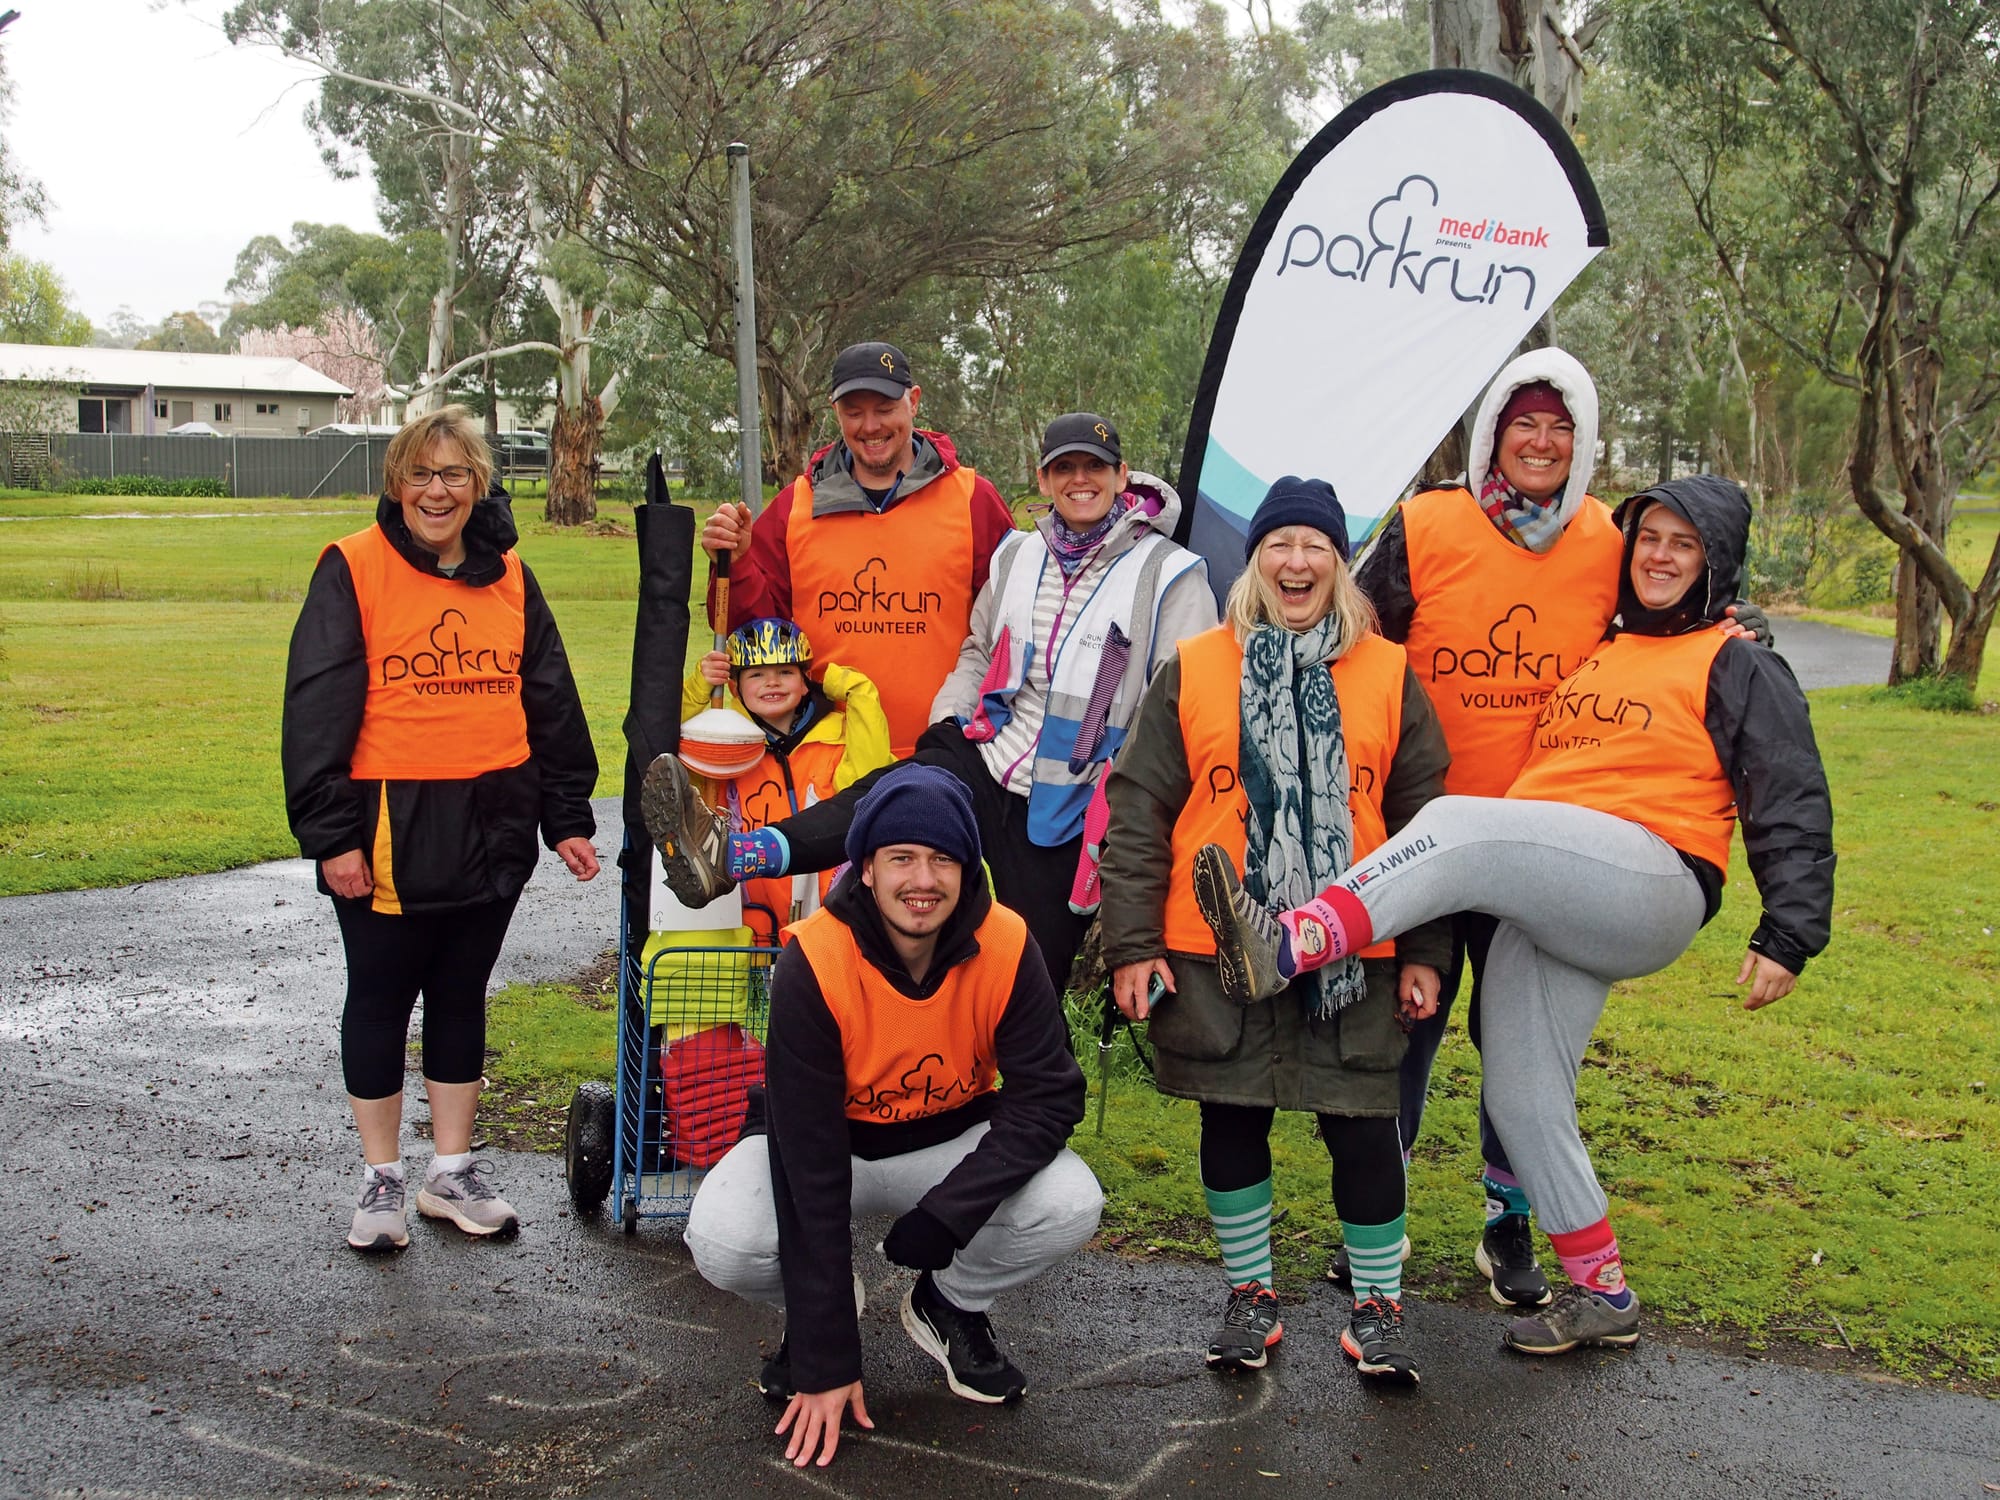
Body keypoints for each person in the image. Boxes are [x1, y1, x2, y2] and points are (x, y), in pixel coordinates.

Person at [1195, 474, 1834, 1356]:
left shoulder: (1736, 657)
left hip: (1651, 871)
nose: (1660, 558)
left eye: (1685, 546)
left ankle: (1294, 940)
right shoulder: (1604, 649)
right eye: (1649, 540)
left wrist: (1790, 930)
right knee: (1525, 1095)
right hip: (1558, 893)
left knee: (1456, 819)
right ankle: (1601, 1290)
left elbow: (1789, 783)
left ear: (1715, 564)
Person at [1350, 347, 1765, 1306]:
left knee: (1520, 1045)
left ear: (1581, 441)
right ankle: (1382, 1220)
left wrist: (1745, 626)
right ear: (1492, 430)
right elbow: (1360, 640)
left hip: (1548, 844)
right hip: (1419, 828)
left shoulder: (1607, 542)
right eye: (1522, 421)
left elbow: (1675, 602)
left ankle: (1510, 1227)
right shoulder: (1426, 522)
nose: (1539, 440)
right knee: (1401, 1029)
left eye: (1559, 425)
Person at [651, 412, 1216, 994]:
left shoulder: (1169, 574)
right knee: (891, 798)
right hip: (988, 755)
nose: (1079, 480)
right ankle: (735, 855)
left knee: (1029, 975)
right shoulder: (1019, 555)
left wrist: (1121, 794)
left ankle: (1029, 1081)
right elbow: (978, 648)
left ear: (1122, 475)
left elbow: (1182, 706)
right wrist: (949, 720)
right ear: (1043, 480)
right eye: (1062, 468)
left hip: (1072, 799)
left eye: (1093, 467)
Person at [1097, 477, 1452, 1386]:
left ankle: (1378, 1307)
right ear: (1255, 560)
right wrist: (1133, 945)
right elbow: (1138, 811)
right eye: (1279, 545)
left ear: (1340, 564)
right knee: (1234, 1115)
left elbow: (1428, 825)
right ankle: (1250, 1296)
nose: (1297, 563)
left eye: (1316, 547)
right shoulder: (1198, 664)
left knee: (1365, 1126)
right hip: (1215, 950)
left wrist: (1425, 951)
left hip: (1357, 948)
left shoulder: (1387, 670)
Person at [683, 763, 1103, 1470]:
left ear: (968, 871)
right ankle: (824, 1308)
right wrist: (825, 1352)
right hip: (824, 1148)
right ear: (868, 868)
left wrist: (950, 1214)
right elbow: (808, 1163)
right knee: (724, 1238)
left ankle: (948, 1304)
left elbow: (1050, 1096)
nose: (924, 880)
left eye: (943, 859)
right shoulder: (814, 956)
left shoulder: (1005, 942)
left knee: (1071, 1201)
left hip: (944, 1141)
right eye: (902, 857)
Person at [283, 404, 601, 1253]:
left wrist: (565, 814)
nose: (437, 490)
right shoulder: (351, 566)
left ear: (479, 485)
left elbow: (551, 696)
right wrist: (332, 835)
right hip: (387, 821)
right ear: (396, 484)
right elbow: (315, 711)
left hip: (493, 816)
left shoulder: (509, 575)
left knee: (462, 995)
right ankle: (381, 1182)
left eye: (455, 474)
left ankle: (450, 1174)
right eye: (420, 474)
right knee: (382, 997)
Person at [699, 341, 1018, 755]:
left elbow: (1014, 629)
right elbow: (757, 640)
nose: (870, 426)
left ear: (914, 401)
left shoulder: (974, 500)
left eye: (885, 409)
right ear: (836, 414)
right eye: (854, 412)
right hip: (823, 764)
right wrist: (735, 562)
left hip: (944, 757)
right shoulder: (795, 506)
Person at [673, 617, 893, 943]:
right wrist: (698, 689)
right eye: (757, 674)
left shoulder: (837, 737)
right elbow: (669, 745)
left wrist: (854, 689)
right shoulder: (723, 741)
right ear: (734, 687)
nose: (772, 683)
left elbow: (870, 780)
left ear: (805, 682)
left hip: (827, 906)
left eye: (786, 672)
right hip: (752, 905)